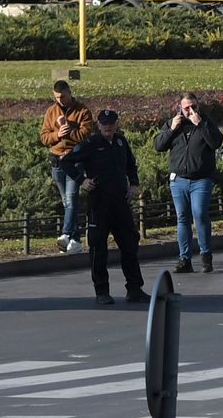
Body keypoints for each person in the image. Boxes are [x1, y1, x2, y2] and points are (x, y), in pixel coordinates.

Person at [63, 109, 147, 306]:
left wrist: (133, 183)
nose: (108, 126)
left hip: (120, 201)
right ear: (98, 125)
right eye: (104, 123)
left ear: (116, 124)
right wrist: (81, 180)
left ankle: (134, 289)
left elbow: (131, 164)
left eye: (111, 123)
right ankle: (101, 291)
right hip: (99, 203)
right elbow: (66, 162)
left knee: (130, 244)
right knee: (98, 247)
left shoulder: (120, 142)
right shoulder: (91, 144)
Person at [153, 91, 223, 274]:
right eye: (186, 108)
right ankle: (184, 259)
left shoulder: (205, 122)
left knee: (199, 213)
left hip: (201, 179)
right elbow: (159, 146)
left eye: (193, 106)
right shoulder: (173, 123)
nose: (190, 110)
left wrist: (200, 125)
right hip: (179, 180)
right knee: (182, 218)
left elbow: (216, 142)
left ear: (198, 106)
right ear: (180, 108)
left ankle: (206, 255)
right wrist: (171, 130)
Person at [40, 79, 96, 252]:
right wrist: (57, 134)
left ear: (69, 92)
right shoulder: (51, 111)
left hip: (75, 162)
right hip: (57, 162)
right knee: (66, 202)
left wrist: (69, 131)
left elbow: (86, 135)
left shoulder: (83, 111)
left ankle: (65, 234)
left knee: (71, 198)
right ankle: (76, 241)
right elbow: (44, 137)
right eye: (57, 97)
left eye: (63, 96)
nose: (60, 100)